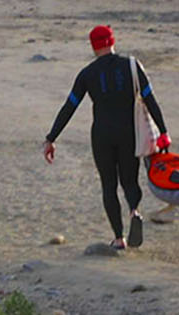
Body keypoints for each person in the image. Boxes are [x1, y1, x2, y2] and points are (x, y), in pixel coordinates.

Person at [44, 24, 167, 250]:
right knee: (129, 180)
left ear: (93, 46)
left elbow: (69, 106)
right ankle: (134, 211)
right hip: (128, 133)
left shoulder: (87, 74)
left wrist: (51, 138)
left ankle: (119, 238)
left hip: (101, 135)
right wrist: (164, 132)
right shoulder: (132, 66)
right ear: (112, 42)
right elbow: (150, 100)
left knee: (108, 185)